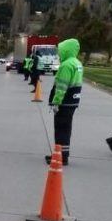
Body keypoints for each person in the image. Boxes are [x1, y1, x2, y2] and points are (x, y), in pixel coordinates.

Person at [45, 38, 83, 166]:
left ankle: (60, 156)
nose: (59, 53)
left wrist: (56, 102)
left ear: (66, 50)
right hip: (73, 101)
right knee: (66, 129)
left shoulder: (66, 65)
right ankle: (63, 154)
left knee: (60, 129)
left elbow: (61, 86)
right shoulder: (77, 63)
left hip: (64, 102)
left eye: (60, 51)